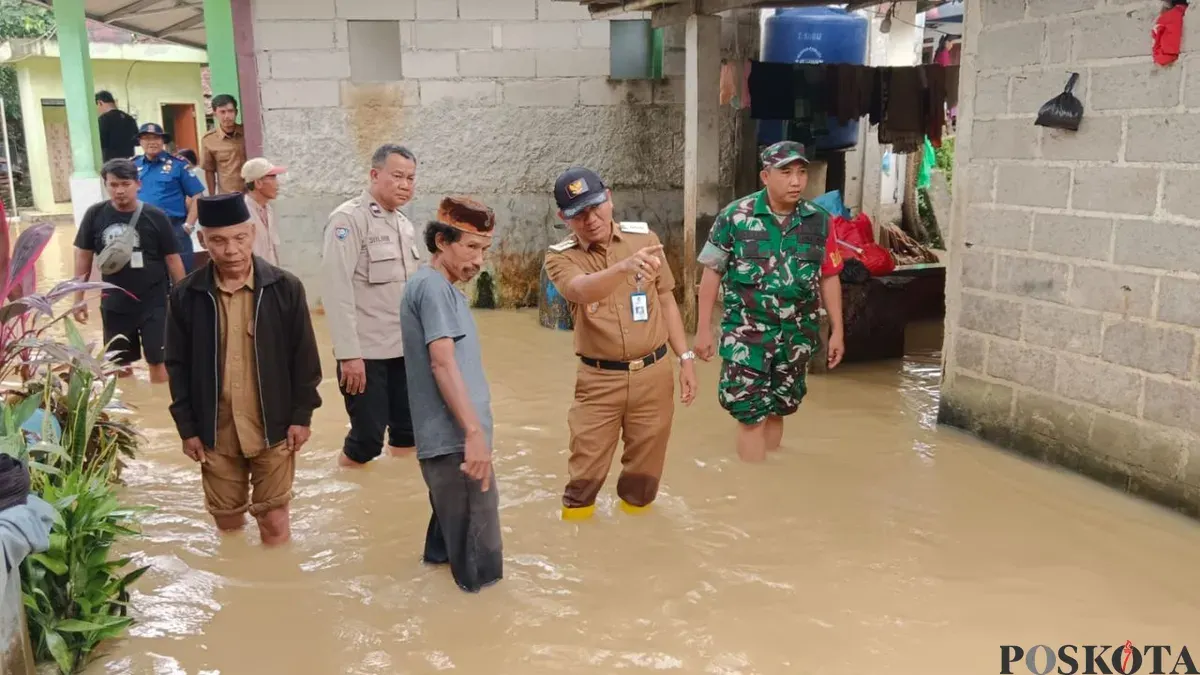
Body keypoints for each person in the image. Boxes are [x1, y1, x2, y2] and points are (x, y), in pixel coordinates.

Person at [165, 193, 322, 547]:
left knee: (275, 522)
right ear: (203, 240)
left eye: (240, 238)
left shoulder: (285, 288)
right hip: (215, 431)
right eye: (218, 241)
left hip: (274, 426)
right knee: (229, 524)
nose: (231, 250)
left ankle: (278, 590)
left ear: (252, 234)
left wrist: (302, 416)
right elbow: (177, 366)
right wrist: (187, 428)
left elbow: (306, 361)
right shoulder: (186, 295)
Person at [543, 167, 697, 521]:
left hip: (654, 374)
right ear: (563, 218)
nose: (591, 219)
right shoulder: (560, 256)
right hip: (599, 381)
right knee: (583, 481)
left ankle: (636, 551)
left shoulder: (643, 239)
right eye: (578, 214)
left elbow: (666, 298)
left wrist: (685, 358)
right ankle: (579, 550)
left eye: (596, 206)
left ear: (609, 198)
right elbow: (579, 290)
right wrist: (623, 269)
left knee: (644, 480)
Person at [693, 141, 846, 463]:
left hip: (796, 334)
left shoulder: (820, 221)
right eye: (786, 172)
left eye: (802, 172)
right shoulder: (735, 217)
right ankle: (752, 494)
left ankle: (773, 482)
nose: (796, 181)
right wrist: (703, 329)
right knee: (751, 415)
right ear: (765, 176)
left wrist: (837, 331)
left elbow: (829, 276)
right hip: (746, 335)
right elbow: (711, 274)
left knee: (780, 408)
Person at [400, 197, 502, 593]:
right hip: (458, 445)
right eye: (471, 247)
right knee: (481, 571)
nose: (479, 260)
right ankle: (484, 646)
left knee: (445, 557)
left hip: (454, 444)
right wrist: (473, 435)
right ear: (441, 241)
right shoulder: (433, 288)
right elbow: (442, 363)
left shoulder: (439, 288)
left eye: (484, 250)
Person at [322, 144, 422, 468]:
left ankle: (397, 495)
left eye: (410, 177)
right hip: (367, 355)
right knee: (366, 440)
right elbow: (336, 291)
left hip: (404, 350)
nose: (405, 184)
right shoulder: (348, 220)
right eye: (397, 176)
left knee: (408, 433)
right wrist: (349, 355)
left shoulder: (404, 225)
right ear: (374, 175)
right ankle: (350, 491)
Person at [72, 159, 186, 383]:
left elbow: (173, 260)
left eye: (125, 183)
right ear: (106, 185)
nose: (120, 190)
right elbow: (83, 257)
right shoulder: (95, 215)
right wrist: (78, 298)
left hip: (154, 303)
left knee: (159, 363)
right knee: (119, 367)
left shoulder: (156, 216)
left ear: (138, 184)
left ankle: (158, 409)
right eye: (113, 185)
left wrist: (183, 299)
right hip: (115, 304)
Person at [134, 123, 205, 273]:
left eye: (156, 138)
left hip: (174, 229)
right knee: (148, 276)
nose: (152, 142)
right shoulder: (132, 166)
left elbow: (198, 195)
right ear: (140, 142)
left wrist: (189, 225)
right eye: (146, 138)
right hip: (142, 229)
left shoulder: (178, 165)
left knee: (181, 277)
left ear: (163, 141)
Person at [199, 94, 247, 195]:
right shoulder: (209, 140)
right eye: (222, 112)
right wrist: (213, 198)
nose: (227, 116)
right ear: (215, 114)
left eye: (230, 111)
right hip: (228, 196)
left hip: (250, 194)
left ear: (236, 112)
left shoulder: (247, 133)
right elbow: (209, 171)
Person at [241, 157, 286, 266]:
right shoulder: (243, 214)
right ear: (258, 183)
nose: (278, 184)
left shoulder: (268, 210)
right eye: (273, 178)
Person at [95, 91, 138, 161]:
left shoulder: (103, 119)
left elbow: (99, 142)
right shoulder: (130, 119)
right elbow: (137, 141)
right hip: (128, 162)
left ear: (100, 103)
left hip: (111, 163)